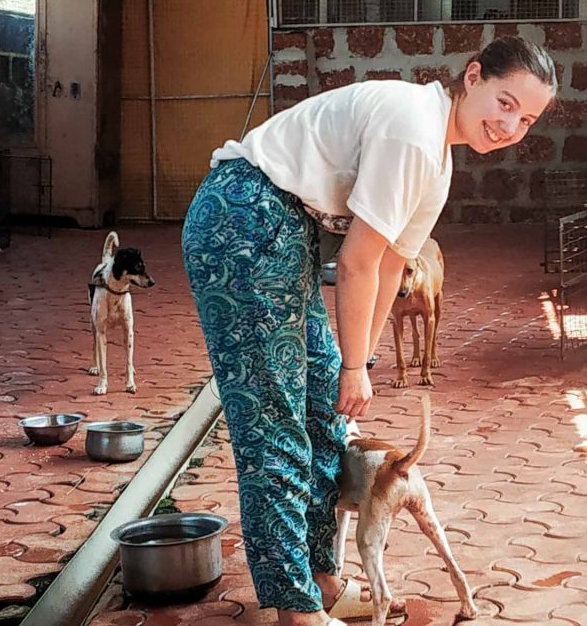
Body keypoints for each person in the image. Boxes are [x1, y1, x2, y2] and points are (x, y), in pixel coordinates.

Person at [181, 36, 557, 626]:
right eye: (505, 102)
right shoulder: (413, 128)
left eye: (527, 118)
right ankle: (295, 608)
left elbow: (389, 267)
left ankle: (322, 581)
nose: (511, 125)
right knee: (275, 424)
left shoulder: (439, 159)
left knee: (321, 412)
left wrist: (361, 360)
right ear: (473, 76)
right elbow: (356, 261)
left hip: (281, 229)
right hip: (243, 218)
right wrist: (354, 366)